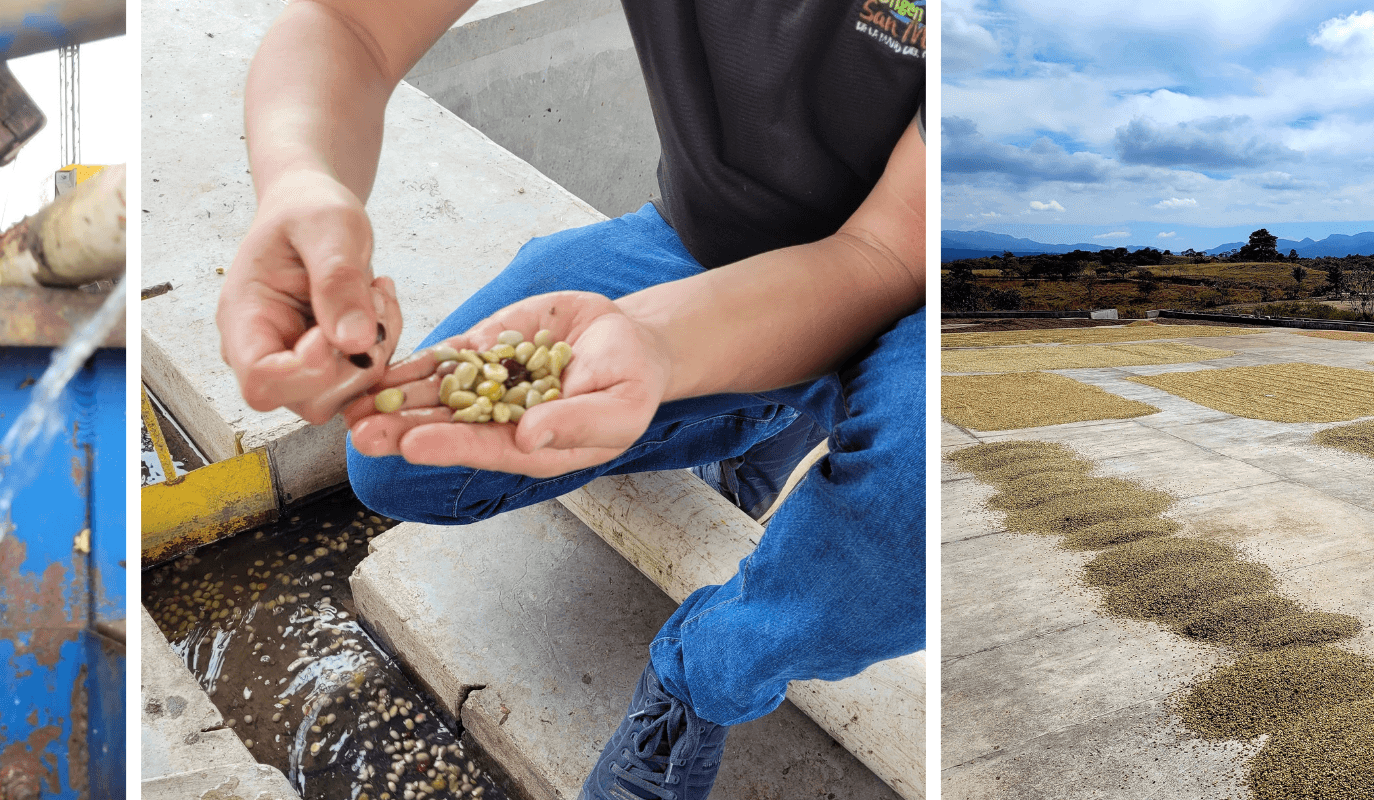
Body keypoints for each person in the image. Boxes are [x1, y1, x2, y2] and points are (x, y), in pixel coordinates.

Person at [215, 0, 924, 797]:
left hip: (924, 282)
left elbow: (887, 250)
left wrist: (658, 345)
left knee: (914, 513)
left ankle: (701, 678)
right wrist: (301, 180)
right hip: (709, 246)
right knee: (400, 467)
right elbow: (350, 23)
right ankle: (762, 411)